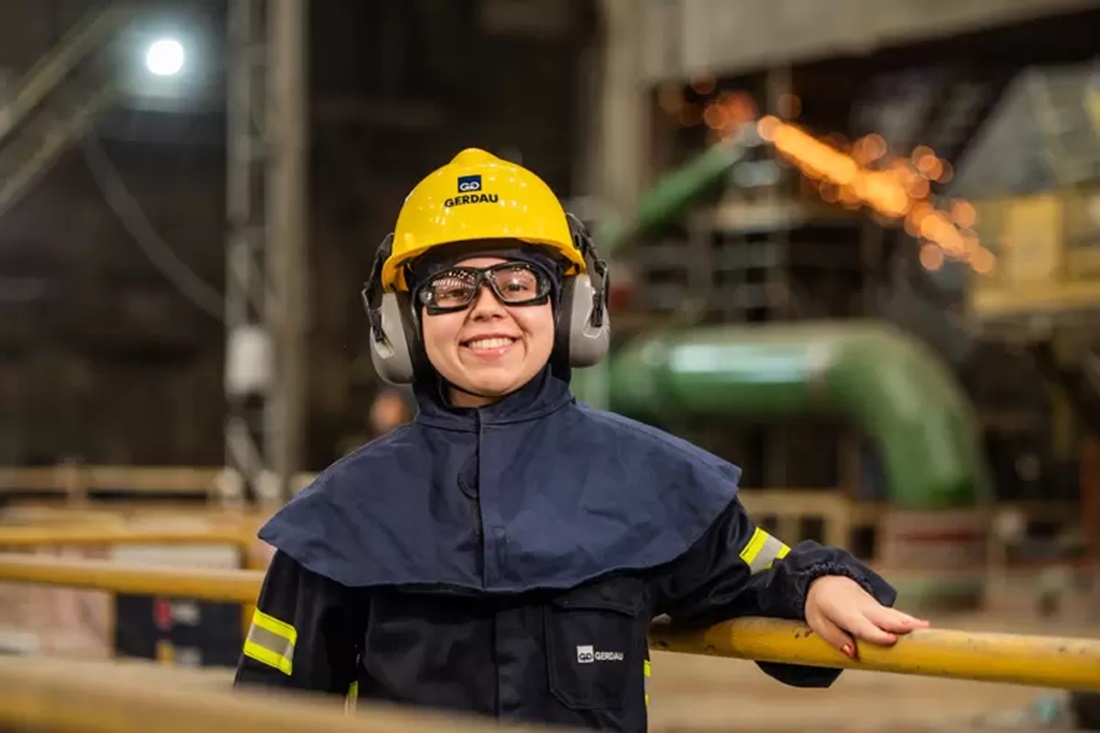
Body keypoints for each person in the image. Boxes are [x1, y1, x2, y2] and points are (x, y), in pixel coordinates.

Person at [234, 148, 929, 731]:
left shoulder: (652, 481)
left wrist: (817, 584)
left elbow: (756, 577)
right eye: (450, 288)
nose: (487, 309)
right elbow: (265, 710)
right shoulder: (343, 513)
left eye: (518, 282)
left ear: (570, 307)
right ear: (403, 323)